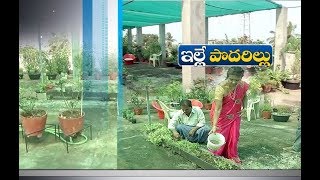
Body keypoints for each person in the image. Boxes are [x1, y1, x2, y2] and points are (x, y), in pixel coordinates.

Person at [208, 66, 249, 164]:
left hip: (235, 114)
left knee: (234, 136)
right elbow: (217, 109)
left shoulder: (242, 85)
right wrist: (214, 125)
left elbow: (244, 96)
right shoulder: (221, 88)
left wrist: (245, 107)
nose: (234, 82)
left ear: (241, 78)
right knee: (221, 135)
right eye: (231, 79)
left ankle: (232, 155)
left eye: (237, 80)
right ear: (227, 76)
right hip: (221, 115)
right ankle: (216, 154)